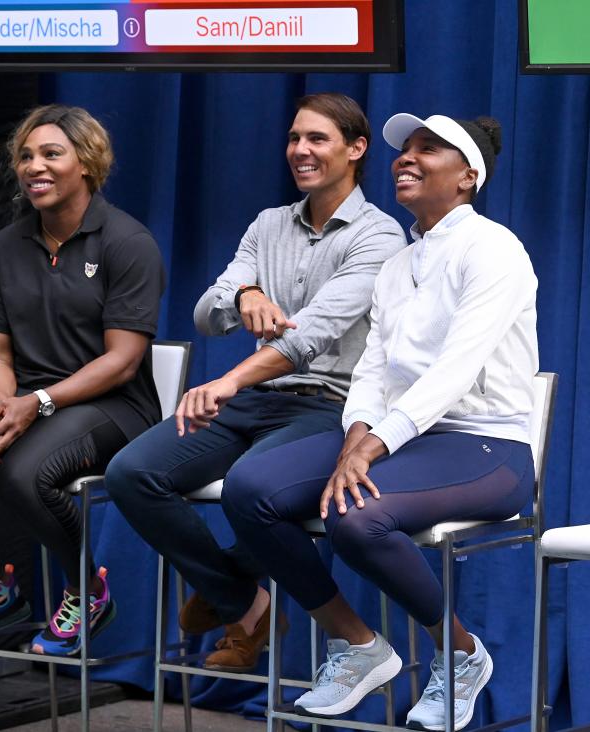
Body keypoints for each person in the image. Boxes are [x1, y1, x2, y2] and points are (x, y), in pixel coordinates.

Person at [221, 114, 539, 730]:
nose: (406, 158)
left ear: (468, 177)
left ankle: (462, 655)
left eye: (429, 150)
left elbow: (453, 369)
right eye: (404, 149)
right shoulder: (398, 265)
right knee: (251, 489)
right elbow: (373, 369)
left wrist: (368, 446)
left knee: (357, 515)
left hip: (488, 446)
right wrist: (359, 432)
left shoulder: (495, 248)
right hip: (401, 436)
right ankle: (358, 645)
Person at [104, 93, 405, 671]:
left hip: (331, 407)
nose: (300, 150)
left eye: (317, 139)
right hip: (258, 397)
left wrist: (227, 381)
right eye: (294, 138)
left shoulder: (379, 236)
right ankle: (243, 600)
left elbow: (308, 338)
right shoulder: (268, 225)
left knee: (251, 486)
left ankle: (239, 592)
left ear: (356, 148)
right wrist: (245, 294)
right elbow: (205, 312)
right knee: (132, 473)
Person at [0, 104, 166, 658]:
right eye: (25, 155)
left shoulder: (127, 242)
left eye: (51, 153)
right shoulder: (3, 247)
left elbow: (123, 360)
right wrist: (4, 406)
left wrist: (36, 404)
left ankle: (87, 592)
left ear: (87, 164)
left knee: (24, 474)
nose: (33, 166)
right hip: (26, 398)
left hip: (113, 405)